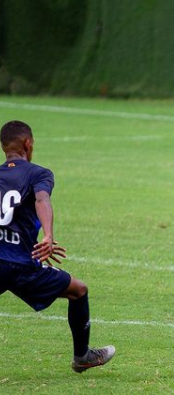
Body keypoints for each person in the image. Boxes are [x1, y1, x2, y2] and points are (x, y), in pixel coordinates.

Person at [0, 120, 115, 373]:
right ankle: (82, 356)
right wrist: (48, 235)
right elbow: (42, 199)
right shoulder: (38, 173)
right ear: (28, 144)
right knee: (78, 290)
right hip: (22, 265)